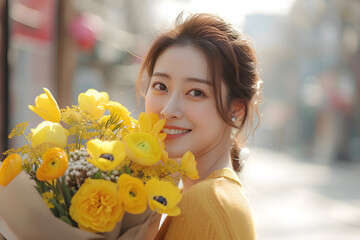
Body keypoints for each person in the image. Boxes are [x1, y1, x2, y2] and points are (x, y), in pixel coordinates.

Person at [138, 12, 261, 240]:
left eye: (196, 92)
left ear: (236, 109)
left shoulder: (206, 203)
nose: (168, 110)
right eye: (161, 86)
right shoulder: (193, 195)